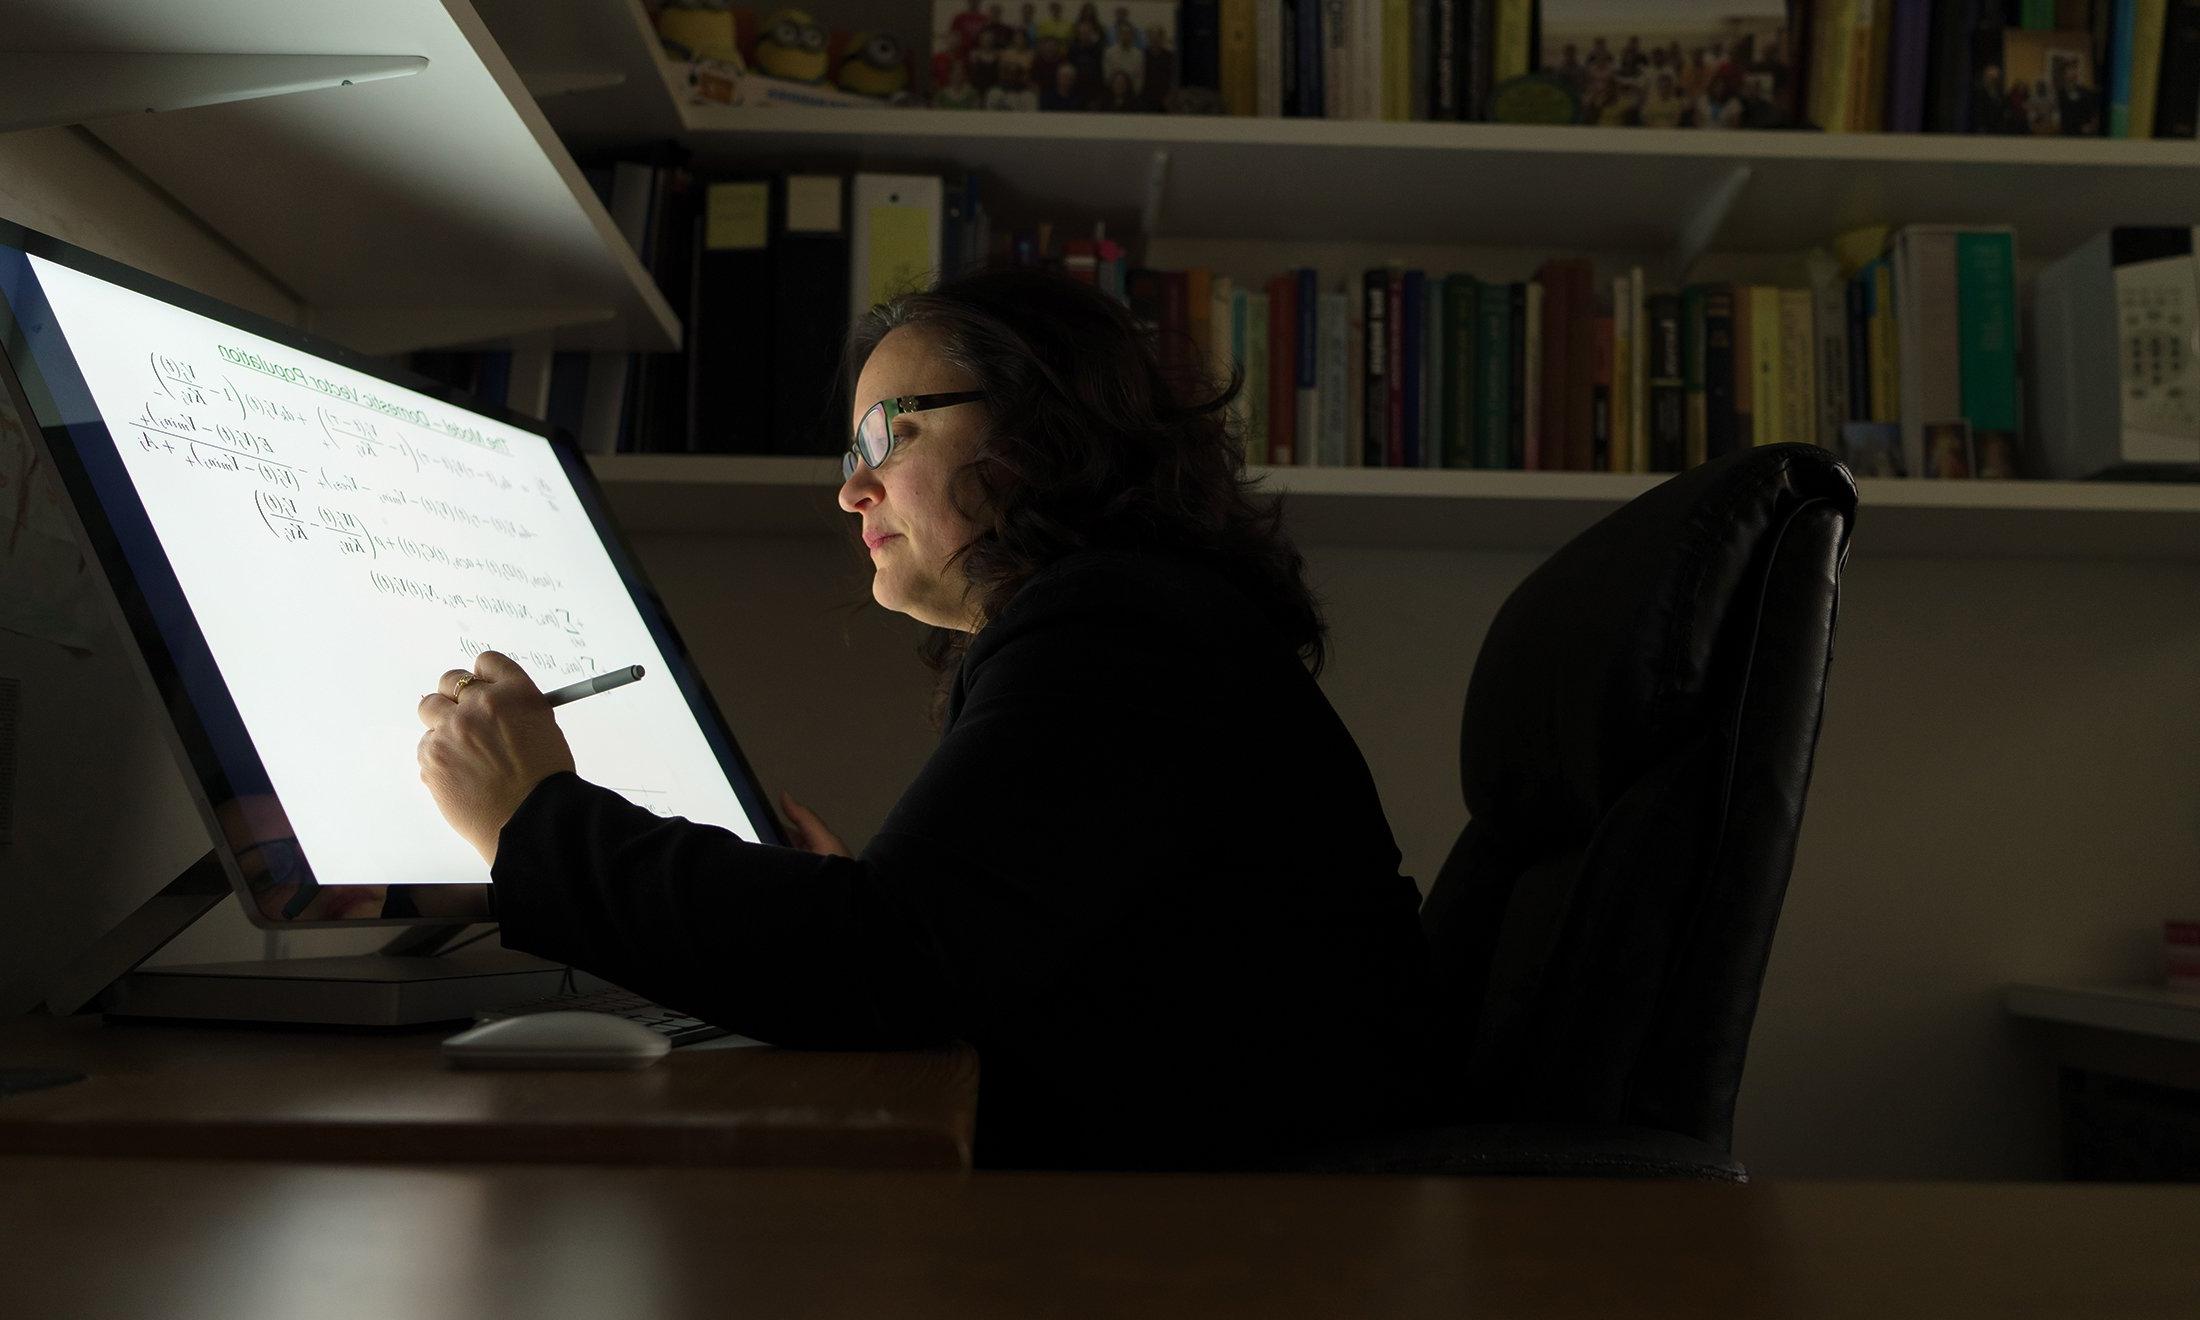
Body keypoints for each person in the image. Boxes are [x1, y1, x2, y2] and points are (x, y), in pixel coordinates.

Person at [413, 267, 1436, 1173]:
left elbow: (889, 967)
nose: (852, 489)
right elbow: (952, 949)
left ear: (1042, 431)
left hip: (1248, 1231)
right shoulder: (1142, 618)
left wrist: (532, 819)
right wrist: (861, 908)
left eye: (891, 433)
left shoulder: (1114, 631)